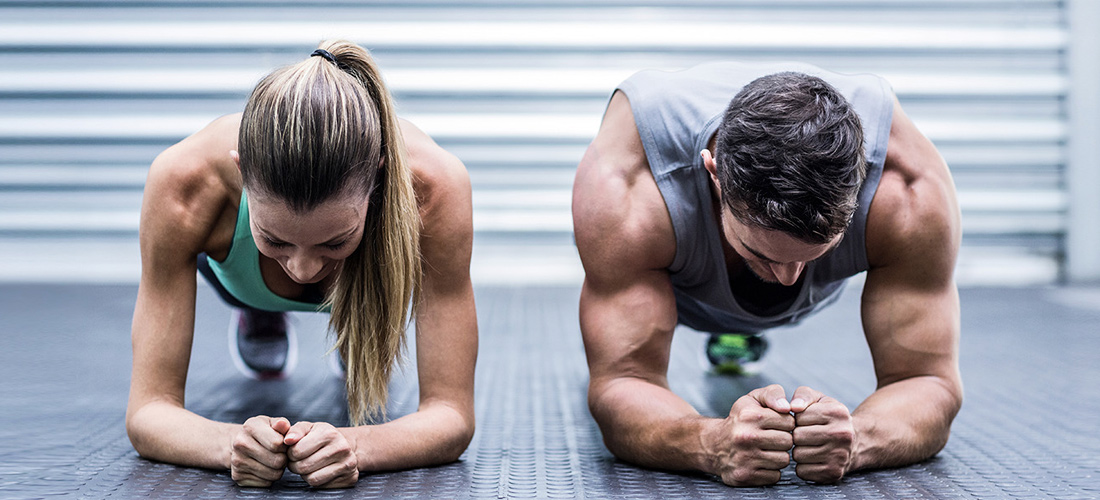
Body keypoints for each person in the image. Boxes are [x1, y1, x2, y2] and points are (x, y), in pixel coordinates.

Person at [572, 61, 962, 486]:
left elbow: (929, 382)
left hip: (769, 265)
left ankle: (751, 288)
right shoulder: (630, 188)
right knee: (642, 289)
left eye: (814, 253)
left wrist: (860, 438)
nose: (789, 279)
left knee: (775, 275)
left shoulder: (906, 190)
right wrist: (710, 442)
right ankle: (730, 318)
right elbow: (623, 382)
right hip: (684, 284)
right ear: (714, 172)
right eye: (761, 253)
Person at [126, 40, 477, 489]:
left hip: (371, 277)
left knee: (359, 333)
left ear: (378, 180)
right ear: (242, 171)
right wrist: (231, 444)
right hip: (240, 278)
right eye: (275, 239)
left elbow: (451, 415)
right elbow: (147, 411)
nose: (305, 269)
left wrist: (356, 446)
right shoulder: (184, 182)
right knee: (266, 265)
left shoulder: (434, 187)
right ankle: (260, 306)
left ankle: (353, 322)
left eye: (334, 241)